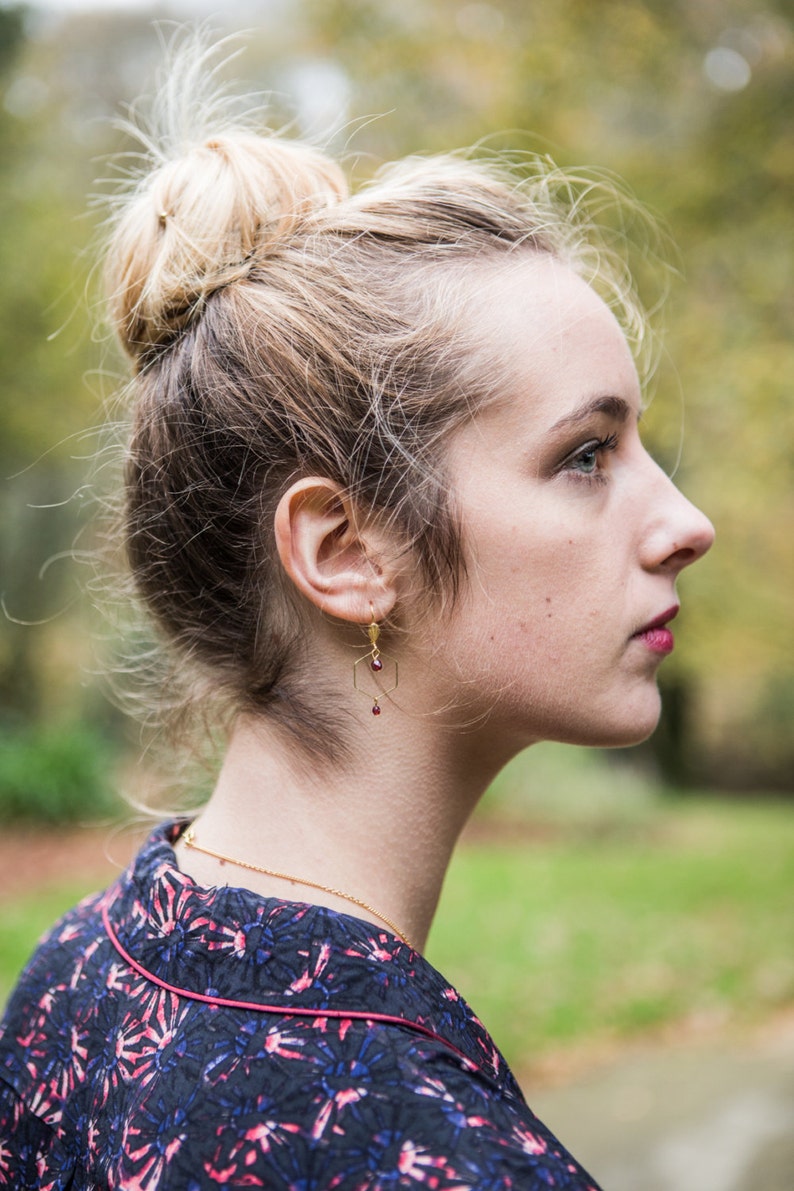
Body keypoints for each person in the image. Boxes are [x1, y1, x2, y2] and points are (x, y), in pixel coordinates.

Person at [0, 35, 714, 1190]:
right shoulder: (421, 1155)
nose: (685, 523)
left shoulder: (85, 970)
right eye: (585, 455)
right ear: (344, 552)